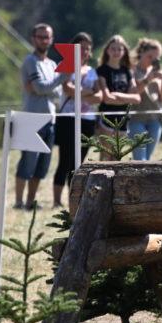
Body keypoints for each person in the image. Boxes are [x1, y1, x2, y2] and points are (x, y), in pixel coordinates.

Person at [15, 23, 70, 210]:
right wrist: (60, 78)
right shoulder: (30, 61)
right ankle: (18, 202)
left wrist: (47, 87)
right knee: (28, 161)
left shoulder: (52, 64)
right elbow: (40, 88)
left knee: (43, 165)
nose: (43, 40)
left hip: (51, 118)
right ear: (33, 39)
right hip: (31, 118)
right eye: (40, 37)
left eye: (47, 37)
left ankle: (31, 201)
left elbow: (55, 92)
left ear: (52, 39)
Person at [51, 32, 101, 207]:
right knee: (65, 160)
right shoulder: (66, 67)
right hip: (68, 119)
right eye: (81, 48)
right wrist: (88, 92)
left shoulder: (92, 71)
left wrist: (83, 93)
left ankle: (74, 199)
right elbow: (69, 89)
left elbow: (98, 96)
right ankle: (56, 201)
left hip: (87, 120)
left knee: (78, 163)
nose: (85, 52)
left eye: (87, 49)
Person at [95, 34, 141, 160]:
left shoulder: (127, 71)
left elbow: (137, 98)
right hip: (106, 119)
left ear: (124, 51)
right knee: (105, 157)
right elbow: (107, 98)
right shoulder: (101, 70)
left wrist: (117, 95)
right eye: (113, 48)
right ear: (107, 50)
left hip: (123, 119)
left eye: (119, 49)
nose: (116, 52)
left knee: (116, 158)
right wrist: (126, 98)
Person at [128, 37, 162, 160]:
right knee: (140, 158)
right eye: (150, 57)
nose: (153, 61)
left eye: (156, 58)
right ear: (141, 52)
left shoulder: (159, 72)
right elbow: (134, 92)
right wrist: (148, 79)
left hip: (155, 119)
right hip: (136, 119)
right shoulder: (132, 70)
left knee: (147, 158)